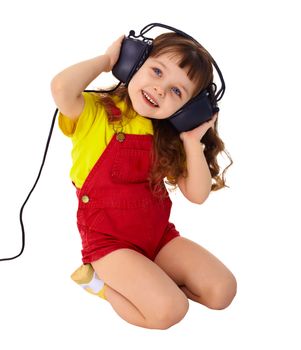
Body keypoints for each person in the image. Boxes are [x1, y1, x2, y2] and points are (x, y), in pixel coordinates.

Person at [51, 31, 237, 330]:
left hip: (158, 238)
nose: (160, 89)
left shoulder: (168, 136)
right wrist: (106, 61)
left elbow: (198, 194)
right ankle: (101, 285)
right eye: (157, 71)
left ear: (188, 108)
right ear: (133, 62)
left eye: (177, 91)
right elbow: (61, 88)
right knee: (169, 312)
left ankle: (149, 281)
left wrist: (191, 141)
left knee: (222, 292)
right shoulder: (95, 111)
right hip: (111, 244)